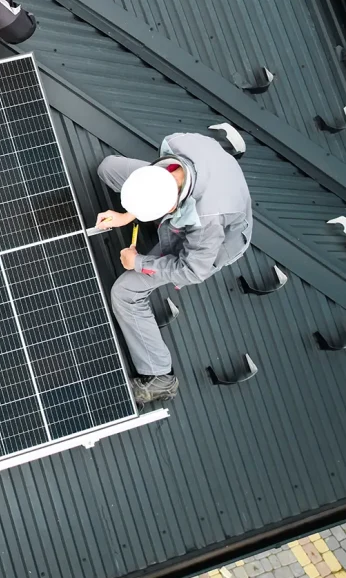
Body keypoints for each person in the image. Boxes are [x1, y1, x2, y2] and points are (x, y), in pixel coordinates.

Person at [96, 133, 252, 406]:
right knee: (108, 169)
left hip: (214, 244)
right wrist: (127, 214)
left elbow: (193, 271)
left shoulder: (206, 221)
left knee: (125, 293)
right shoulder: (176, 144)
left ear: (170, 208)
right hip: (191, 186)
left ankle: (159, 377)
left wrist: (139, 263)